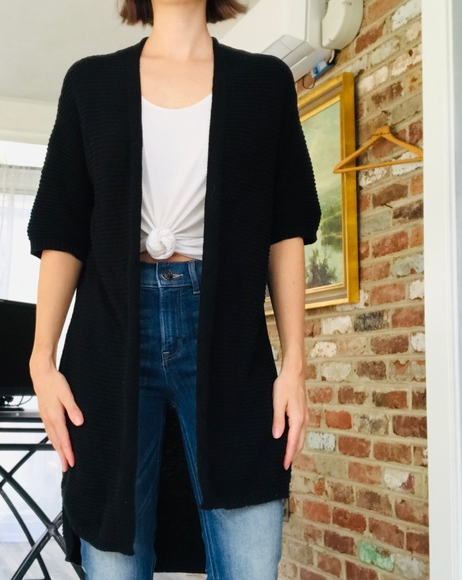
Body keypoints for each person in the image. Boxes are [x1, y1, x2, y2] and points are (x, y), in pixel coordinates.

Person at [27, 0, 321, 578]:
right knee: (113, 547)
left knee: (250, 552)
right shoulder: (89, 84)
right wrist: (41, 358)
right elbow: (63, 230)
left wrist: (294, 366)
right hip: (110, 330)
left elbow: (285, 227)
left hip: (227, 332)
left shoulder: (265, 84)